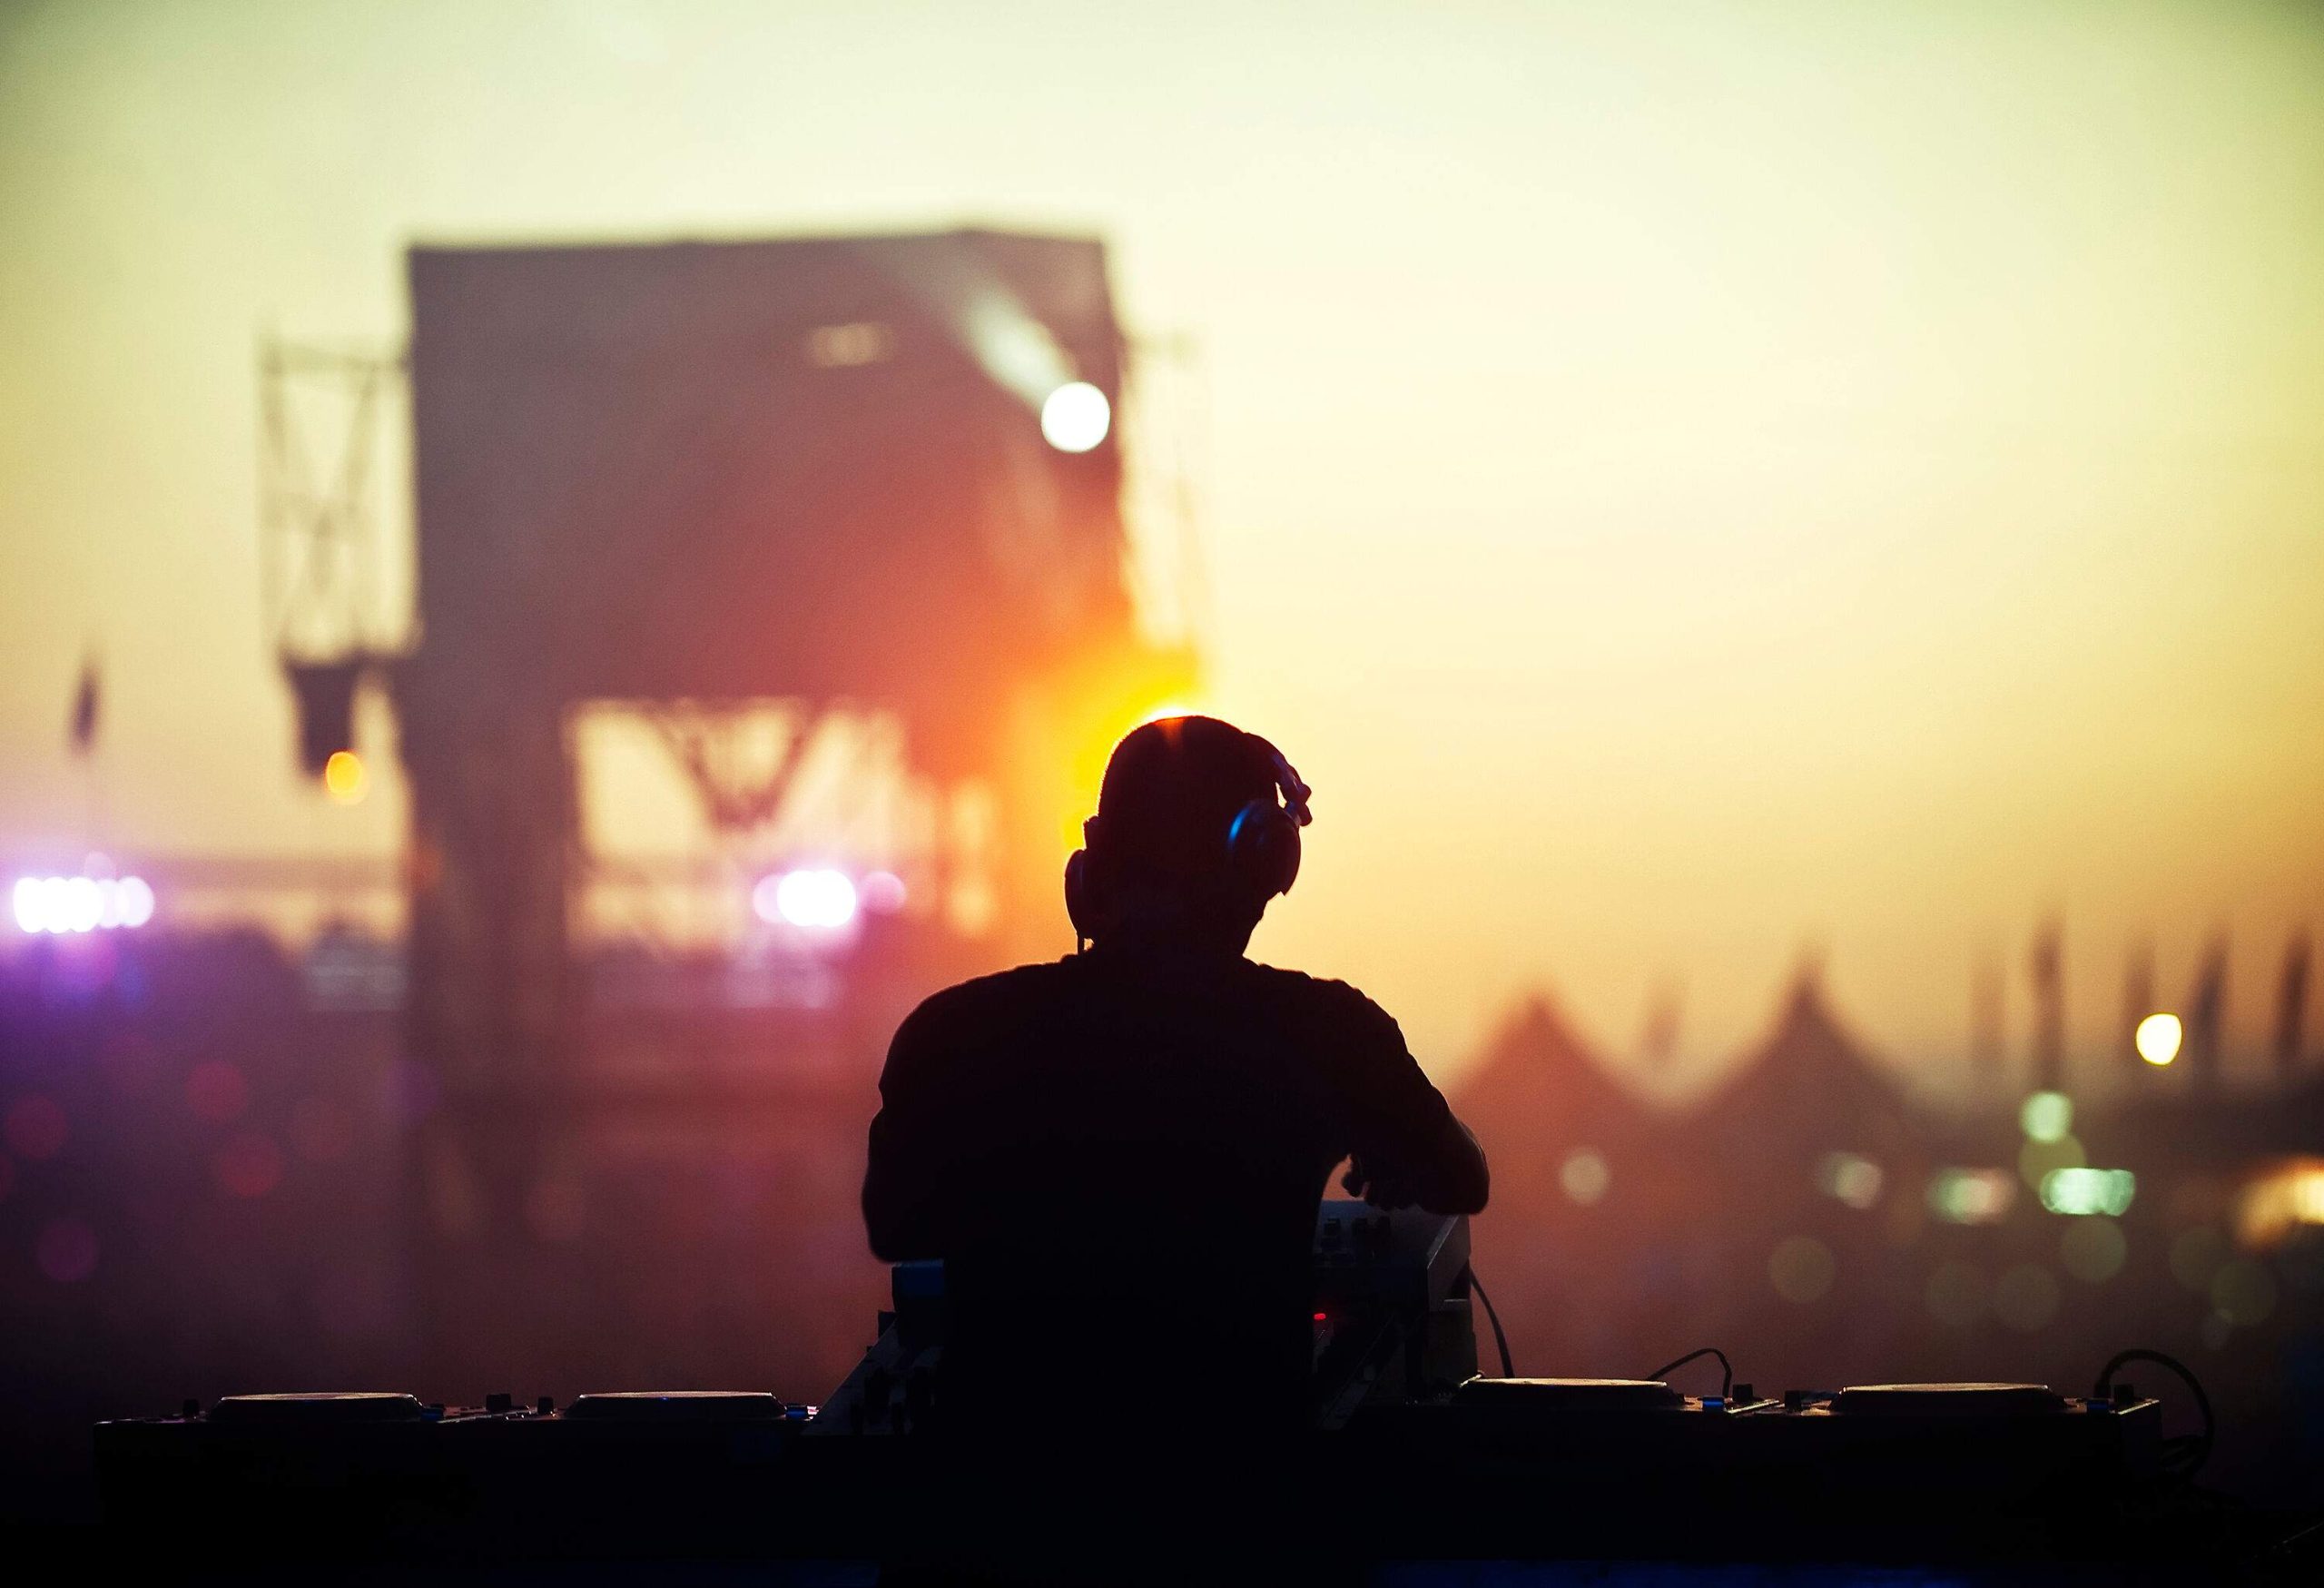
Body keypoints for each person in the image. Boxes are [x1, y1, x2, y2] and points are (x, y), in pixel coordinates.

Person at [862, 715, 1488, 1438]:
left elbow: (896, 1221)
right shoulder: (1329, 1034)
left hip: (1000, 1535)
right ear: (1262, 866)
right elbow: (1463, 1180)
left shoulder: (948, 1035)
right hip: (1231, 1534)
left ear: (1090, 874)